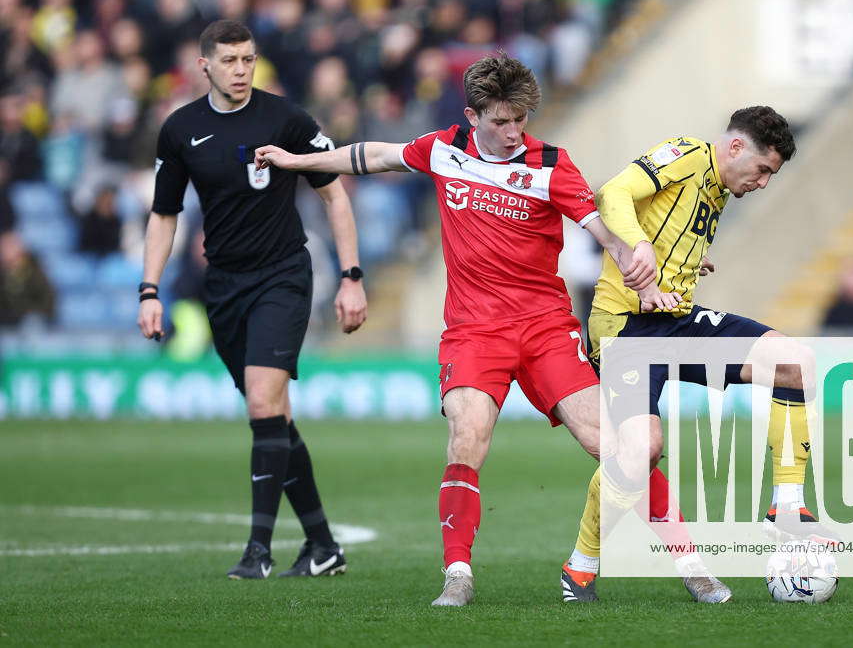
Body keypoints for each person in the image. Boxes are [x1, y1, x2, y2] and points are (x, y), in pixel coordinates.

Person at [255, 52, 657, 607]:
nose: (514, 132)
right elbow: (376, 155)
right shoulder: (443, 149)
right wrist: (300, 162)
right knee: (466, 439)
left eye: (520, 119)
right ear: (472, 115)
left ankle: (691, 563)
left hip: (544, 326)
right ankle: (458, 574)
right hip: (474, 330)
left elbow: (597, 226)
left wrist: (628, 253)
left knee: (611, 445)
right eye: (500, 121)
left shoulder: (549, 163)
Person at [559, 106, 840, 602]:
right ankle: (581, 564)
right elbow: (613, 194)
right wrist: (640, 248)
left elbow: (671, 225)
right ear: (735, 148)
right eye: (762, 170)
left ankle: (788, 505)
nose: (763, 184)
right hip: (624, 327)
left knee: (796, 364)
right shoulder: (686, 154)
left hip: (676, 318)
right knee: (640, 449)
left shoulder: (718, 187)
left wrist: (685, 257)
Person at [136, 20, 367, 580]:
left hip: (283, 276)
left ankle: (257, 551)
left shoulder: (287, 119)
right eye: (231, 60)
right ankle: (323, 546)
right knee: (274, 419)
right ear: (205, 66)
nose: (242, 70)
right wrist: (149, 290)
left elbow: (335, 196)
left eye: (249, 59)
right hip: (225, 288)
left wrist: (352, 275)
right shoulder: (180, 129)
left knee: (264, 406)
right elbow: (164, 215)